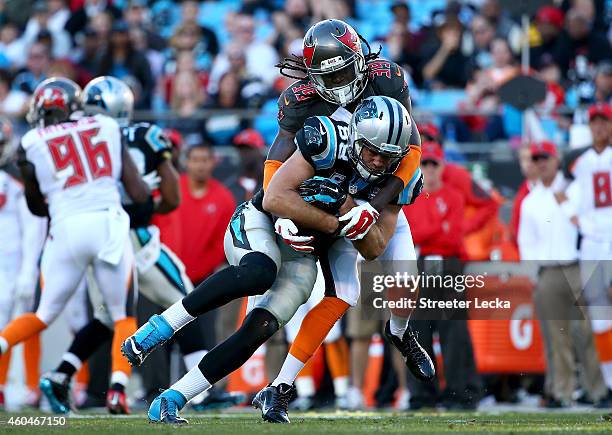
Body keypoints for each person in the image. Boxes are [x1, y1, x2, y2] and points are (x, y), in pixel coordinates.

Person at [0, 77, 150, 405]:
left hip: (65, 229)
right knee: (122, 315)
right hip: (107, 224)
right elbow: (138, 193)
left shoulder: (32, 142)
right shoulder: (107, 126)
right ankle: (118, 390)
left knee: (43, 314)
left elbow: (37, 207)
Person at [518, 140, 609, 408]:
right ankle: (562, 392)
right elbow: (526, 242)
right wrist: (534, 274)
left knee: (589, 332)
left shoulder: (577, 190)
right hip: (548, 270)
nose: (542, 163)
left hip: (579, 265)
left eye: (545, 157)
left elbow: (592, 225)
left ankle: (600, 390)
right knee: (556, 336)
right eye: (537, 159)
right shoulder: (531, 201)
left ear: (557, 160)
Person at [403, 141, 482, 410]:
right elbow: (416, 234)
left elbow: (453, 236)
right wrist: (439, 225)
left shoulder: (454, 196)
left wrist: (431, 232)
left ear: (442, 167)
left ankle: (460, 394)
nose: (429, 169)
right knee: (419, 332)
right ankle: (422, 395)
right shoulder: (412, 198)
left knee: (454, 332)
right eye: (425, 164)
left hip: (449, 265)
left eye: (433, 164)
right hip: (422, 264)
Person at [560, 102, 612, 392]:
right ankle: (608, 382)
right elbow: (561, 192)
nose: (600, 126)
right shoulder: (578, 160)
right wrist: (575, 218)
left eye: (605, 121)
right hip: (591, 243)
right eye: (596, 122)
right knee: (600, 315)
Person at [0, 117, 47, 409]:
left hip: (15, 259)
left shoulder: (17, 177)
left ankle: (30, 385)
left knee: (25, 318)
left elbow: (34, 225)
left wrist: (29, 267)